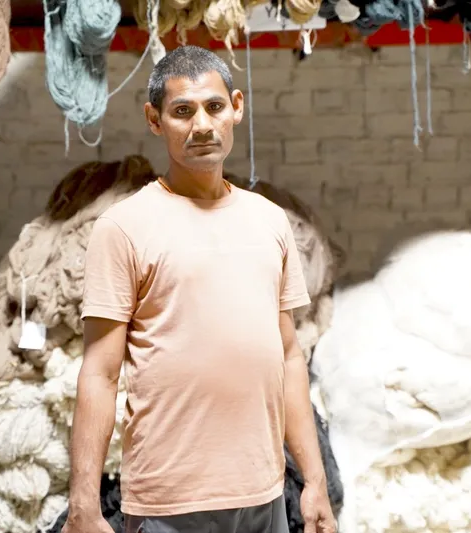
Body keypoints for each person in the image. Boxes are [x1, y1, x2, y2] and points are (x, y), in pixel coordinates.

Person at [63, 45, 337, 533]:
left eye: (214, 107)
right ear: (154, 119)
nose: (203, 125)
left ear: (236, 106)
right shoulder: (123, 227)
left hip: (263, 494)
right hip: (168, 501)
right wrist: (84, 500)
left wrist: (313, 479)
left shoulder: (270, 221)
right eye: (182, 111)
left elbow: (289, 356)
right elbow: (100, 375)